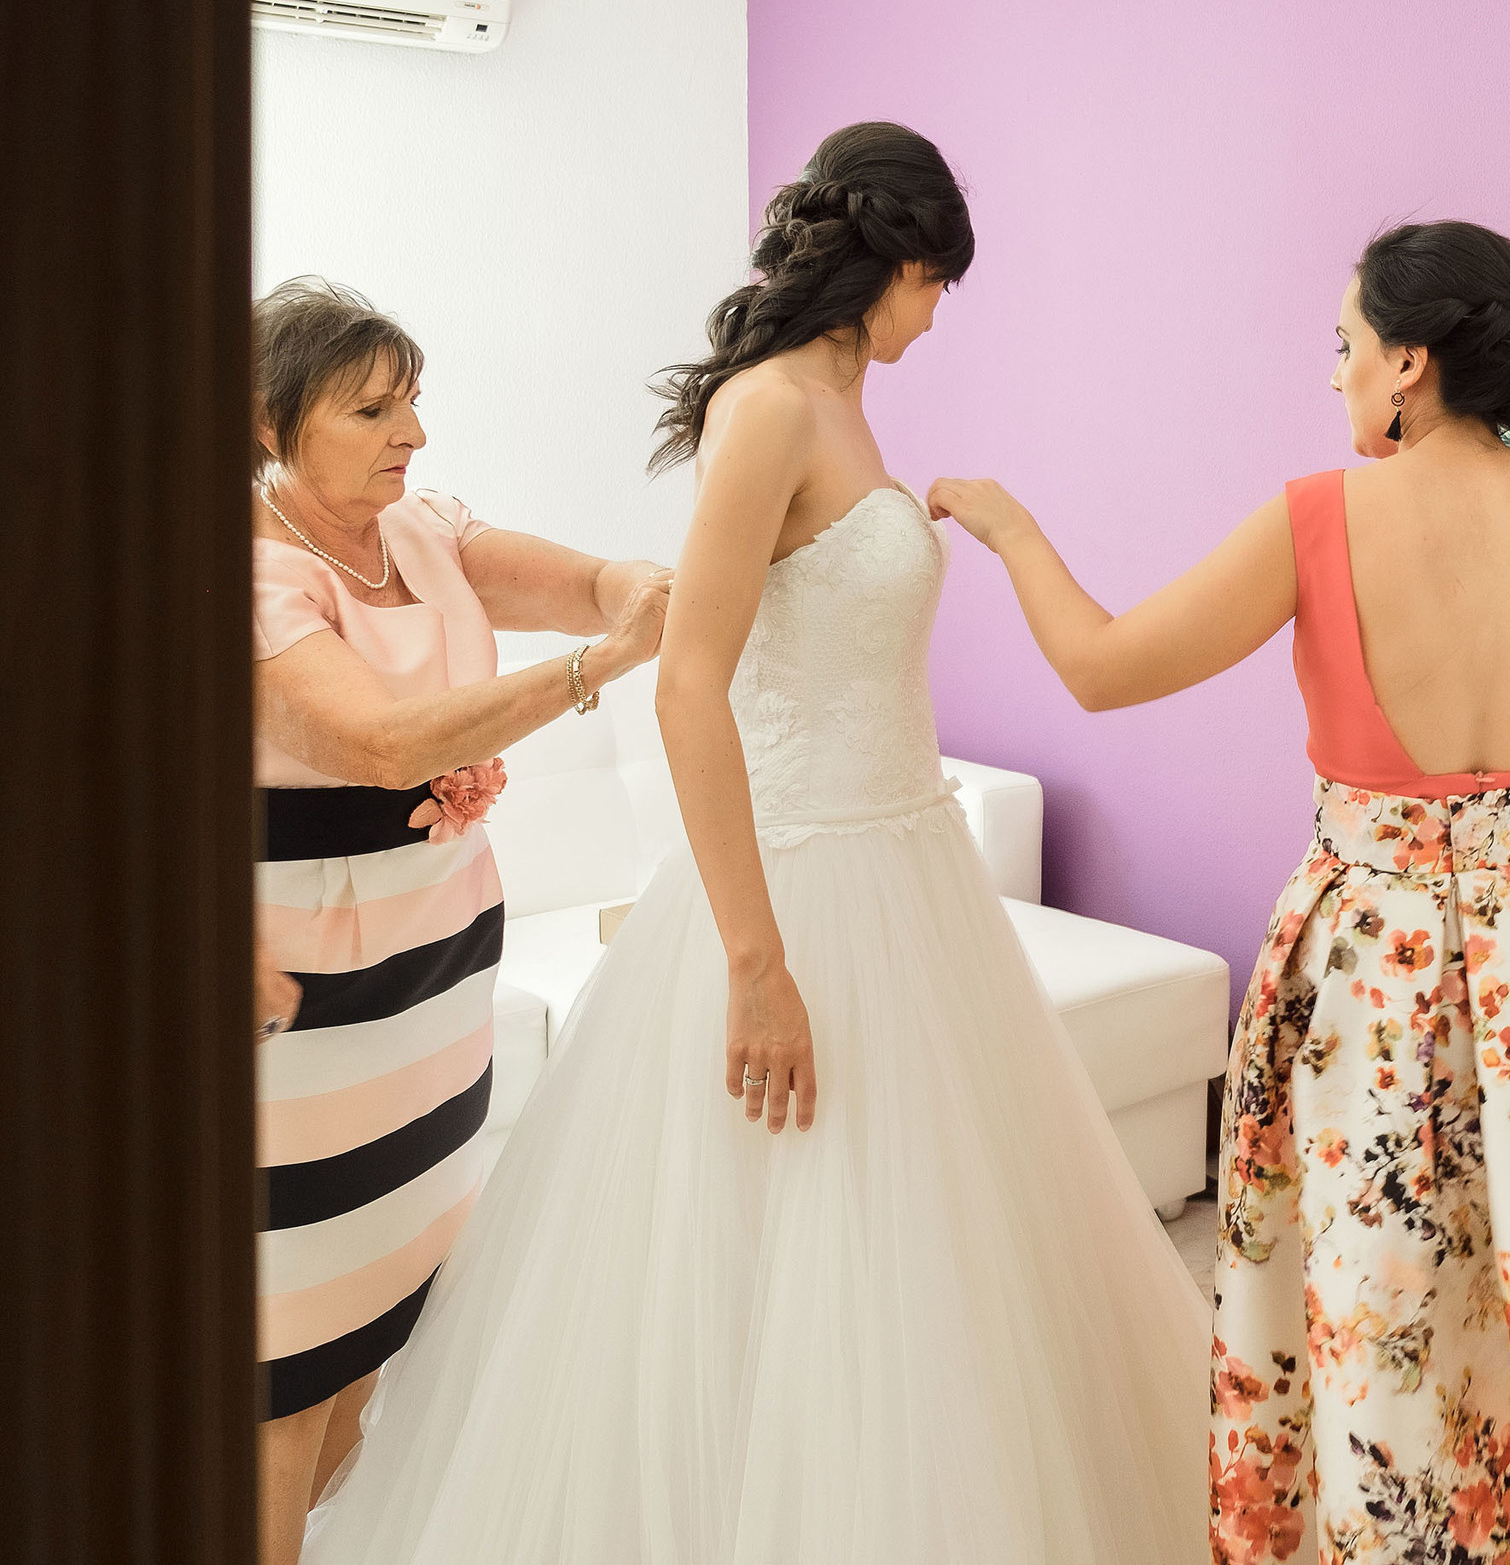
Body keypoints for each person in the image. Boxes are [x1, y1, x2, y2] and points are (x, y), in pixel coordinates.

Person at [298, 122, 1208, 1564]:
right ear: (896, 263)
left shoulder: (848, 398)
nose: (936, 315)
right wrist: (757, 959)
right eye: (936, 286)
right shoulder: (772, 404)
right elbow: (685, 679)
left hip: (910, 863)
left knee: (934, 1273)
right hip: (802, 880)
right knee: (780, 1267)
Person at [931, 218, 1510, 1565]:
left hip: (1372, 968)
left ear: (1411, 364)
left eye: (1346, 347)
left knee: (1382, 1322)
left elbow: (1100, 664)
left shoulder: (1321, 515)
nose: (1336, 377)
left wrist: (1012, 527)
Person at [249, 277, 673, 1564]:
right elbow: (376, 742)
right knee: (280, 1381)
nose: (411, 433)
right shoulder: (249, 574)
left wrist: (655, 580)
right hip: (303, 1019)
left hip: (432, 996)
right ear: (269, 428)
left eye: (413, 399)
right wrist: (599, 669)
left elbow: (598, 581)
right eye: (371, 408)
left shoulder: (426, 531)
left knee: (367, 1364)